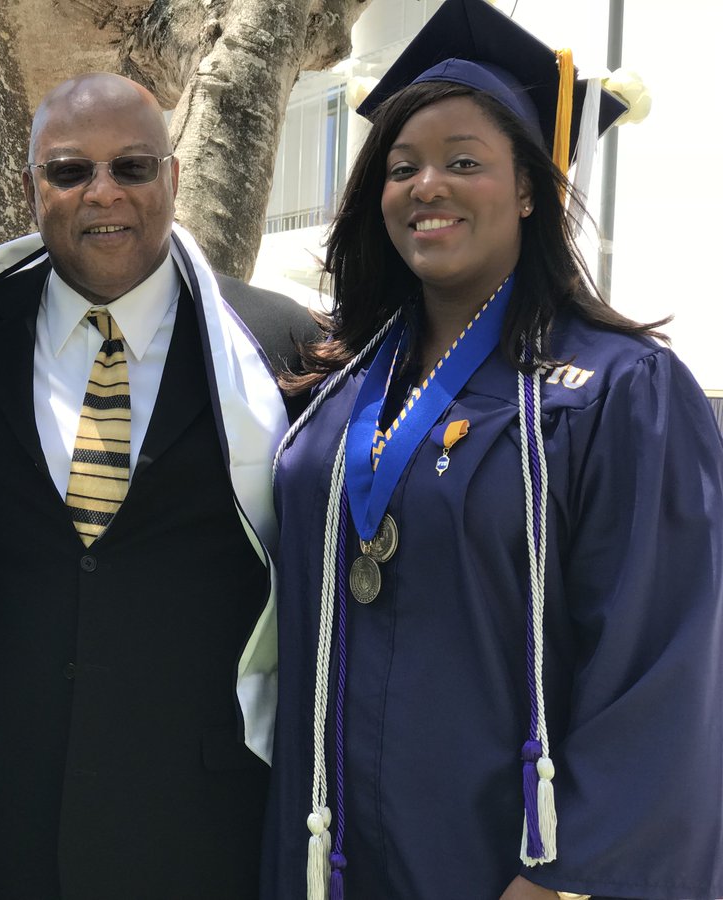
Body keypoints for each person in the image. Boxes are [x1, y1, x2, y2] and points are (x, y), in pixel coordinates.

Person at [263, 1, 723, 898]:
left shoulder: (620, 392)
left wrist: (562, 877)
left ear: (528, 188)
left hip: (503, 864)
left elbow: (663, 668)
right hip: (330, 845)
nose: (427, 185)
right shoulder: (337, 388)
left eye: (464, 162)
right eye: (403, 168)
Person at [0, 72, 315, 899]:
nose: (102, 192)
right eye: (70, 171)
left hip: (200, 822)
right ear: (33, 187)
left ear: (172, 179)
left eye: (132, 168)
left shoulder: (277, 347)